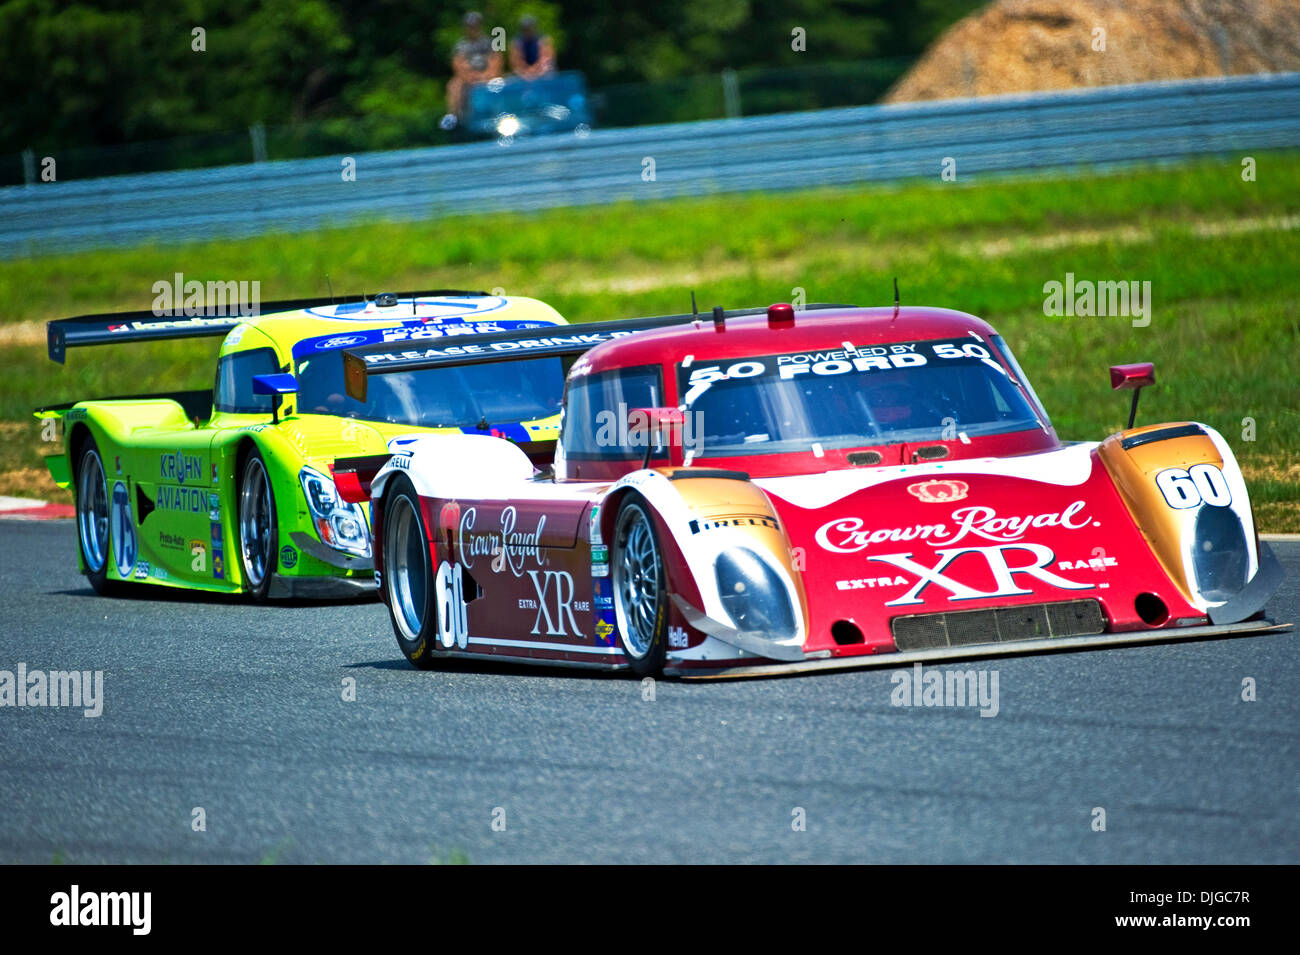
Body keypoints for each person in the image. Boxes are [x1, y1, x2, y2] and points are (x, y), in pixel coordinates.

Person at [442, 12, 503, 130]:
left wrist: (486, 75)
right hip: (468, 78)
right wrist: (471, 76)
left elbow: (496, 61)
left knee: (499, 83)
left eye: (475, 25)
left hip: (488, 76)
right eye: (469, 26)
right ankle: (454, 116)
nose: (472, 28)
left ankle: (501, 113)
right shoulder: (461, 45)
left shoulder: (489, 43)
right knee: (454, 85)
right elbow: (458, 65)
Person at [509, 15, 555, 80]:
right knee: (515, 74)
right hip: (525, 73)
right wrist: (527, 71)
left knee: (548, 68)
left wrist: (533, 69)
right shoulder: (516, 42)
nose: (527, 31)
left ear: (534, 27)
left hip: (542, 72)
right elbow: (515, 61)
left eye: (529, 28)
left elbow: (546, 58)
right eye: (525, 29)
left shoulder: (544, 39)